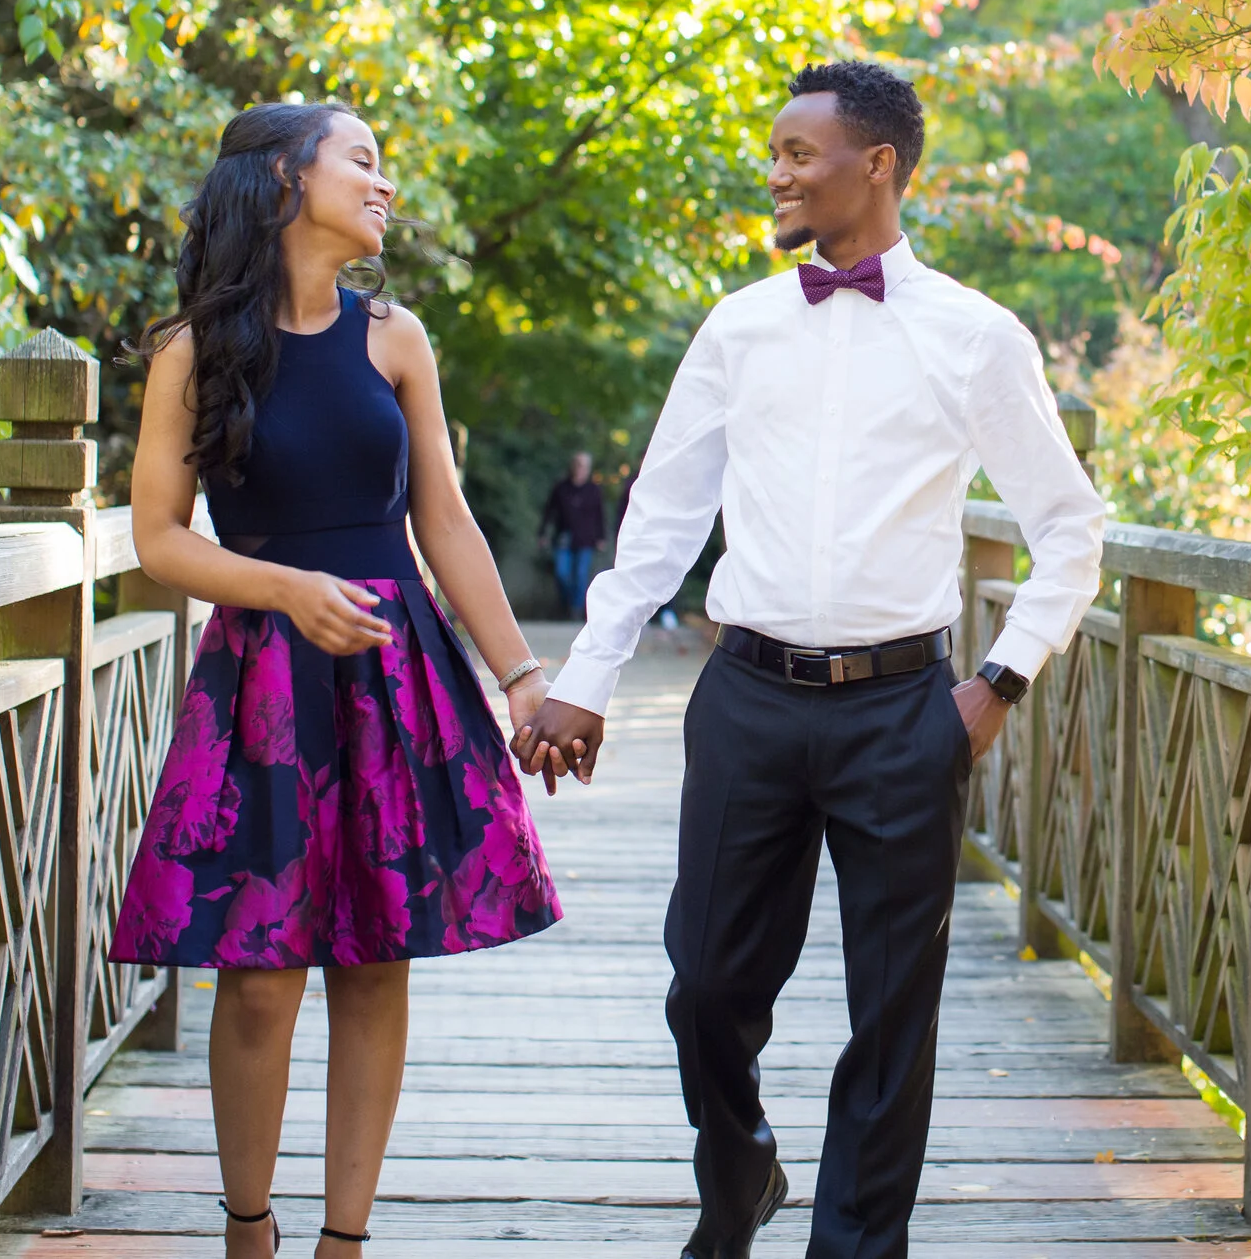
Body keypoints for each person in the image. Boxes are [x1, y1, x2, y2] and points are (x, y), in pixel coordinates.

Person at [517, 61, 1104, 1259]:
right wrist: (587, 673)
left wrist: (997, 684)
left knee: (893, 1011)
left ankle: (855, 1247)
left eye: (799, 151)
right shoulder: (737, 326)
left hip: (904, 709)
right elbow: (666, 518)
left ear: (876, 164)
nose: (776, 171)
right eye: (776, 151)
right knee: (705, 989)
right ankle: (740, 1171)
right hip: (745, 700)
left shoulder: (976, 337)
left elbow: (1071, 529)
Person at [109, 100, 570, 1259]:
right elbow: (159, 537)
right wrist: (280, 588)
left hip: (394, 668)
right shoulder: (192, 352)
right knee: (258, 975)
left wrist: (519, 675)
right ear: (281, 178)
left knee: (375, 956)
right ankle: (248, 1229)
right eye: (360, 160)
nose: (383, 185)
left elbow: (447, 521)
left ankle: (345, 1240)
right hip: (263, 674)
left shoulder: (397, 338)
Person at [542, 451, 607, 617]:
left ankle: (575, 609)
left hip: (585, 540)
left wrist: (601, 537)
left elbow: (600, 515)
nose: (580, 469)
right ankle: (566, 602)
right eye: (578, 464)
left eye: (584, 466)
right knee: (561, 573)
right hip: (564, 537)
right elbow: (549, 511)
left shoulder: (594, 490)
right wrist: (543, 533)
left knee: (580, 575)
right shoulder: (561, 488)